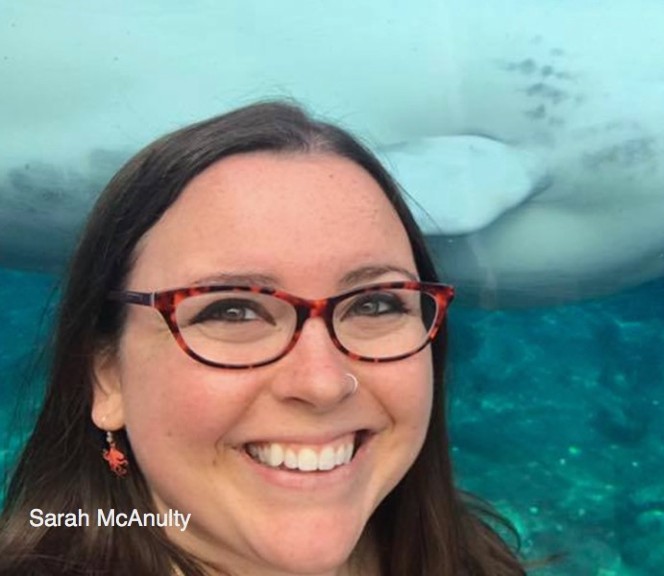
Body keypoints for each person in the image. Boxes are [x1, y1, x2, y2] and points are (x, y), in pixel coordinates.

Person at [0, 102, 527, 575]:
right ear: (106, 376)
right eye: (232, 312)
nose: (322, 384)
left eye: (375, 304)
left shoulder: (477, 561)